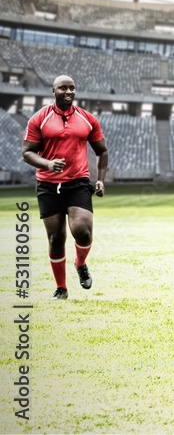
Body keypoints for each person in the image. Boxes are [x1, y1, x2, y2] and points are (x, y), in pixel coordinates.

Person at [21, 75, 108, 300]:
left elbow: (102, 151)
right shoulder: (39, 119)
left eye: (72, 88)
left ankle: (81, 263)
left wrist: (100, 179)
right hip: (48, 185)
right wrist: (48, 164)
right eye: (63, 88)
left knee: (83, 231)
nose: (68, 92)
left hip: (78, 182)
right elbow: (27, 153)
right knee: (56, 239)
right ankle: (61, 288)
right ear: (53, 90)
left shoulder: (87, 119)